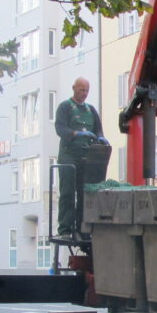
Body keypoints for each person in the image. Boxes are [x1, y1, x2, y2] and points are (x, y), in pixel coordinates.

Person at [54, 77, 107, 238]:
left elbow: (98, 130)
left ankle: (82, 229)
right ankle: (65, 229)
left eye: (86, 91)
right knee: (68, 193)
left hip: (86, 158)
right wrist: (76, 133)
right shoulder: (65, 107)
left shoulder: (91, 110)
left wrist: (100, 138)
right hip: (68, 157)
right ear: (74, 88)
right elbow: (60, 129)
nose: (84, 93)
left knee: (85, 194)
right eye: (81, 90)